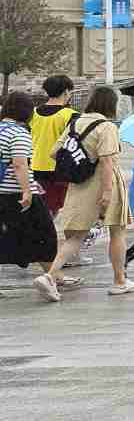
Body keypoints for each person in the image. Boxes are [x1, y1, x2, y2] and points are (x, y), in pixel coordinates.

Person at [45, 85, 134, 299]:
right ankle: (120, 281)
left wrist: (82, 162)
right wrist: (106, 192)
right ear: (111, 105)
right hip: (106, 184)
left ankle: (49, 276)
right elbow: (106, 162)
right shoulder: (107, 127)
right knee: (117, 231)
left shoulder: (75, 122)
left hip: (79, 185)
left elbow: (54, 152)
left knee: (75, 236)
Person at [0, 91, 59, 290]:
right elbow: (19, 164)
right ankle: (51, 278)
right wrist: (27, 191)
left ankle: (54, 276)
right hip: (17, 196)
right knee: (46, 235)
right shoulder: (19, 133)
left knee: (11, 236)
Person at [29, 75, 75, 216]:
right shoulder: (71, 115)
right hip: (58, 169)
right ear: (66, 91)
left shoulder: (33, 113)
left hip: (34, 166)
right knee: (53, 209)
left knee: (38, 208)